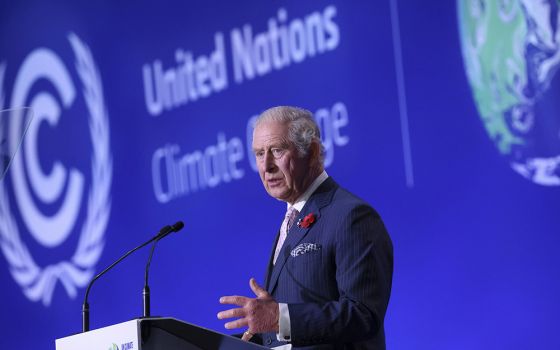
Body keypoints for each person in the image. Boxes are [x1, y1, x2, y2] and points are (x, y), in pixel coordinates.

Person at [218, 106, 393, 350]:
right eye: (259, 154)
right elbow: (290, 330)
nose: (266, 166)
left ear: (311, 152)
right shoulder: (290, 220)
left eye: (277, 151)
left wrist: (280, 318)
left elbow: (363, 314)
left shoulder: (351, 216)